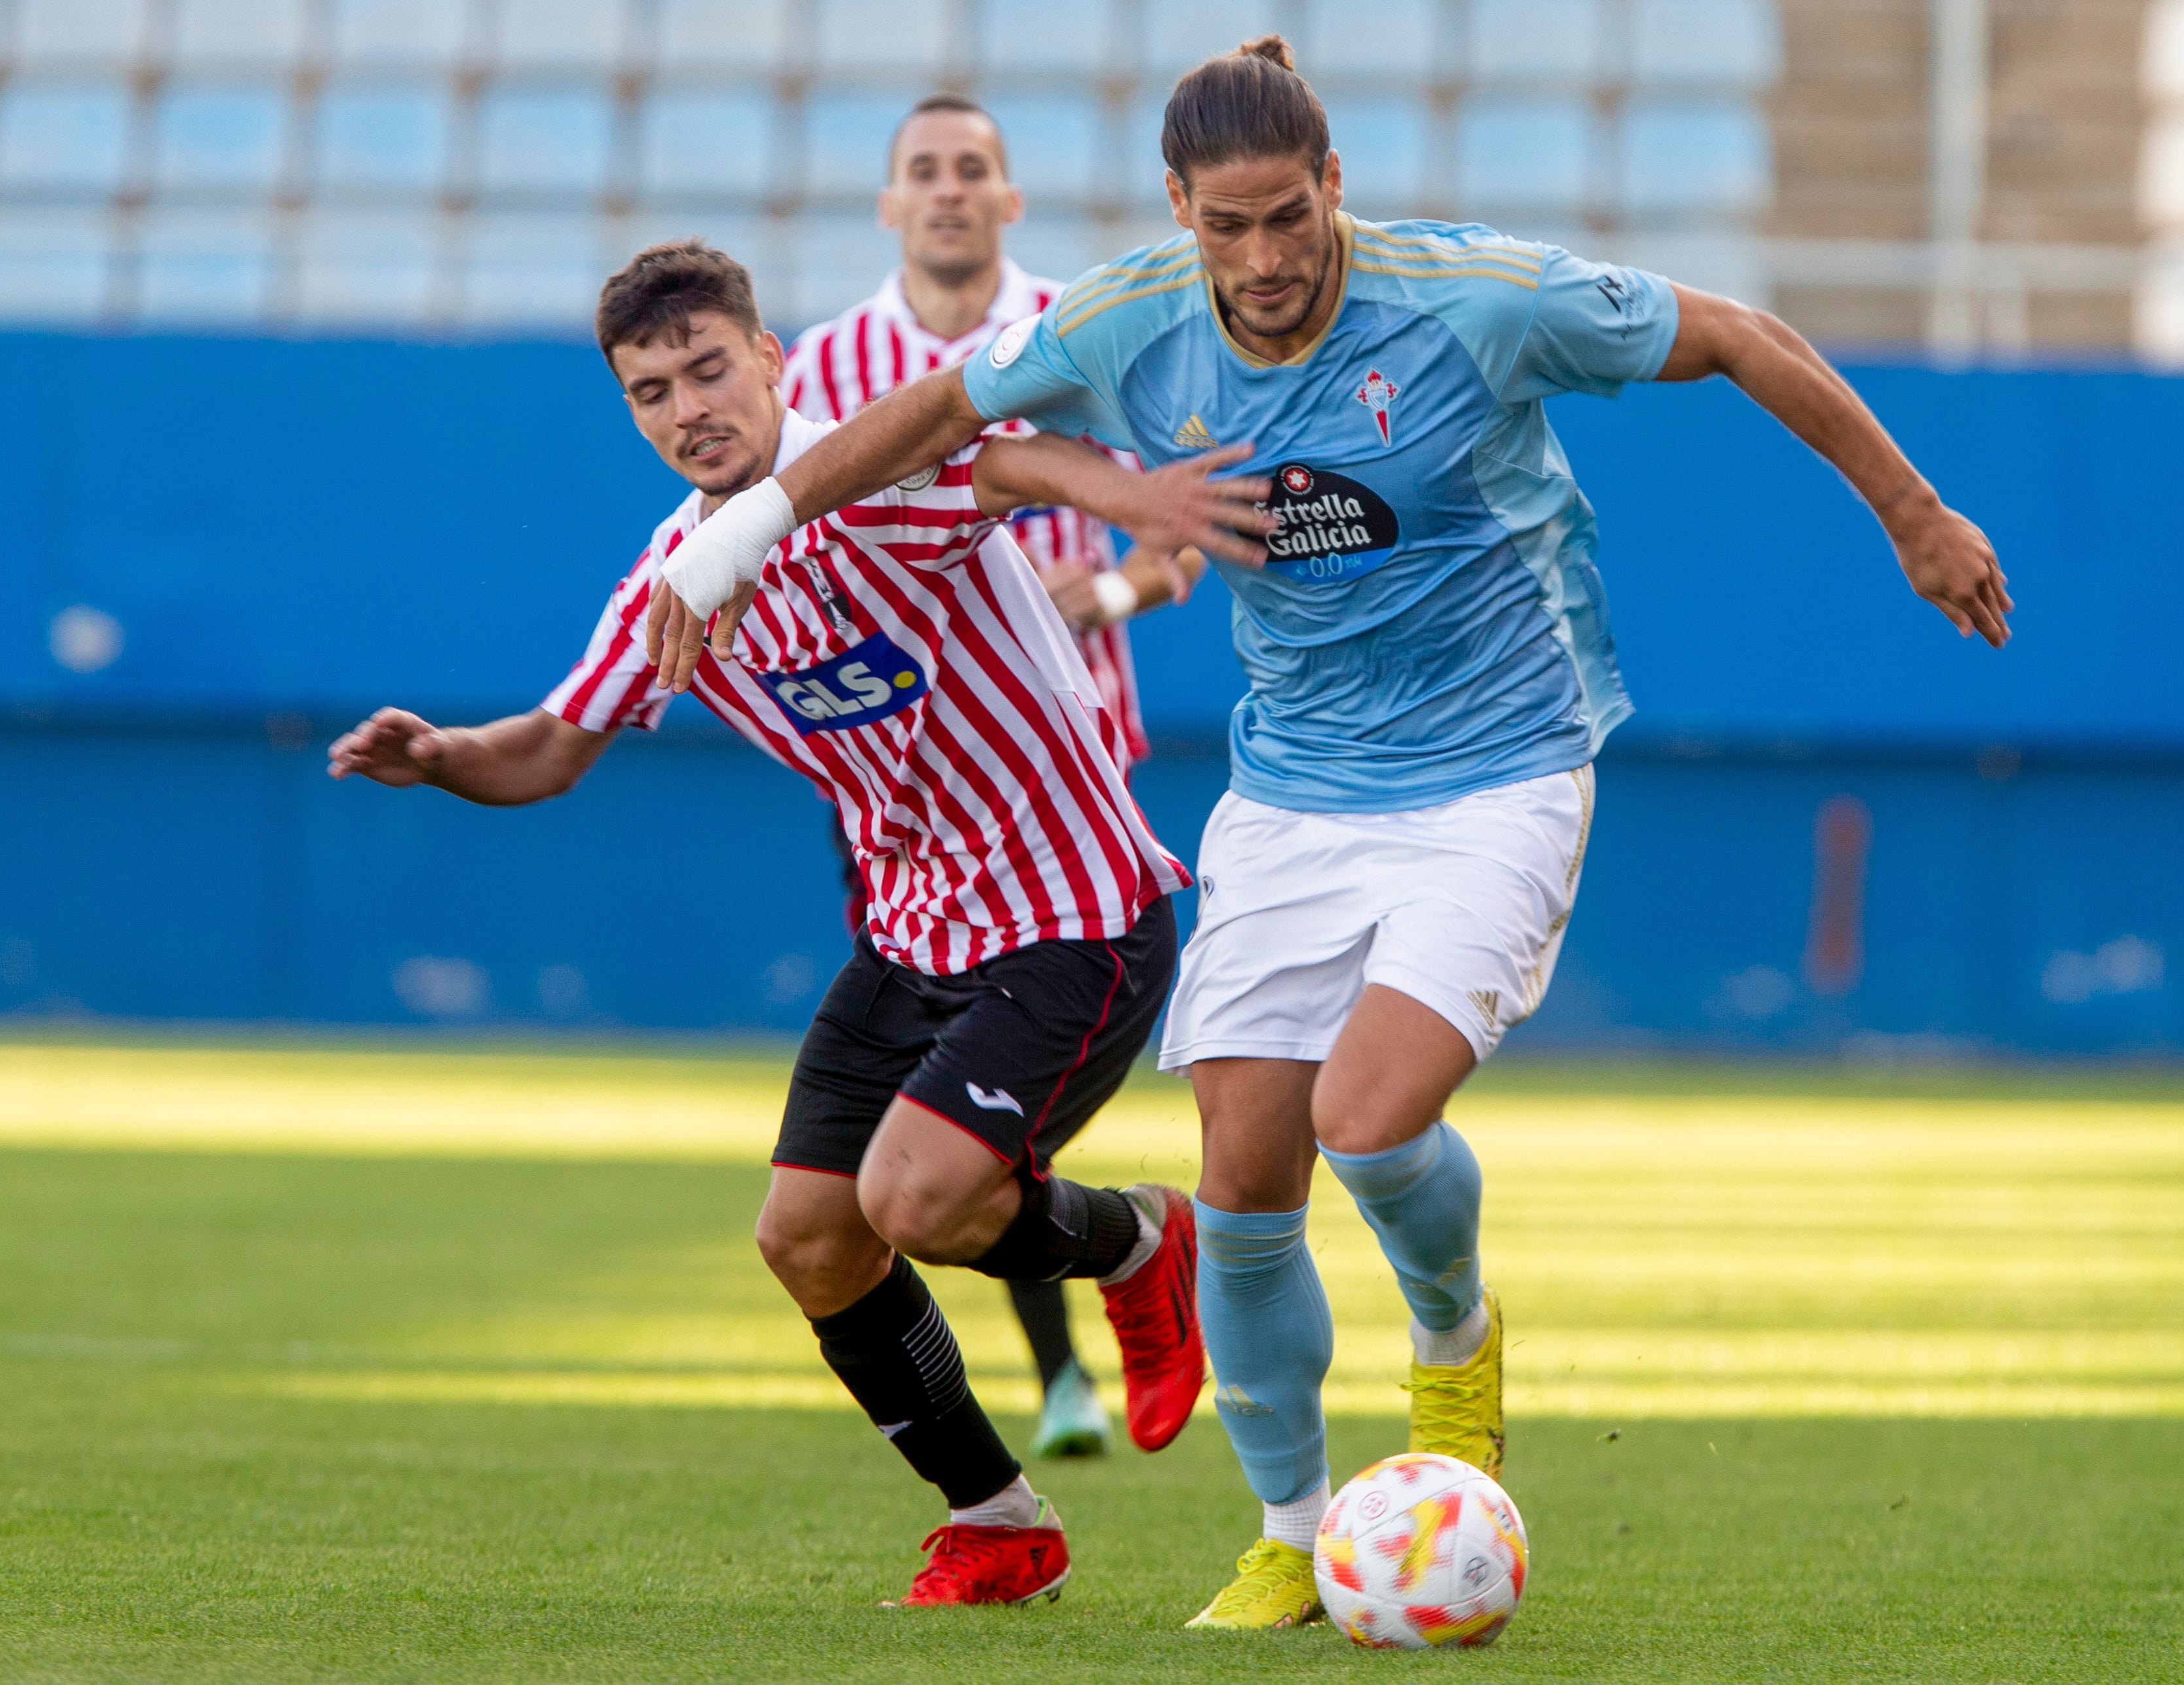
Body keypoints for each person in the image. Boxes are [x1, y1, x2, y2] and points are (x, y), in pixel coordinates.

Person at [642, 36, 2013, 1632]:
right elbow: (938, 410)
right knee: (1239, 1182)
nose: (1267, 258)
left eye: (1291, 216)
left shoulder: (1470, 298)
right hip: (1292, 788)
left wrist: (1913, 513)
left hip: (1500, 766)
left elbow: (1742, 335)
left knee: (1368, 1118)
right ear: (1180, 211)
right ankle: (1296, 1529)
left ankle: (1452, 1345)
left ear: (1333, 185)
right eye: (1229, 226)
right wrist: (743, 533)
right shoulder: (1128, 317)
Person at [325, 240, 1255, 1608]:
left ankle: (1135, 1242)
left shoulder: (873, 480)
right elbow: (552, 746)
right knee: (809, 1235)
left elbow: (1003, 459)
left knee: (915, 1198)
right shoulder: (677, 576)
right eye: (652, 391)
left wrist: (1131, 496)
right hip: (912, 935)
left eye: (708, 367)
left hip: (1074, 912)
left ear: (774, 361)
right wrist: (443, 751)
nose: (688, 405)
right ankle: (998, 1519)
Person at [782, 92, 1207, 1462]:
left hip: (1067, 762)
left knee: (974, 1108)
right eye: (925, 171)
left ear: (1010, 199)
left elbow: (1170, 543)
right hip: (911, 789)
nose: (951, 190)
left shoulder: (1076, 341)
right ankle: (1066, 1358)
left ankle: (1083, 1340)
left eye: (975, 169)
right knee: (941, 1115)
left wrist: (1101, 595)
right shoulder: (830, 371)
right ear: (890, 203)